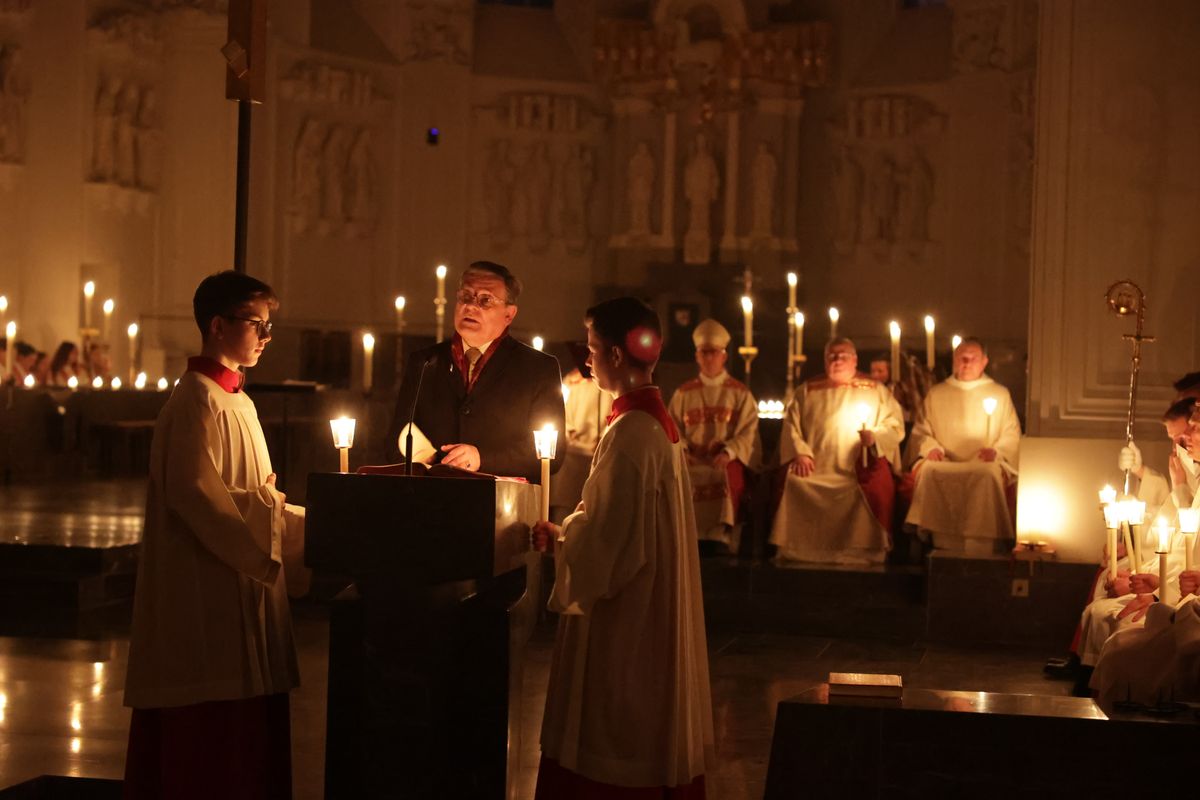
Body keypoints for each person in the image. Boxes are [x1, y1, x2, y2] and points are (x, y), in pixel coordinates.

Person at [123, 271, 304, 799]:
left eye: (269, 326)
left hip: (240, 580)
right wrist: (270, 511)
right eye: (257, 324)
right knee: (211, 739)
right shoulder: (194, 402)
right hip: (205, 588)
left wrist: (274, 509)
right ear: (218, 325)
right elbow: (197, 497)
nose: (267, 337)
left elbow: (249, 494)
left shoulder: (238, 402)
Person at [531, 297, 713, 798]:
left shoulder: (632, 431)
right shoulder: (654, 420)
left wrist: (565, 540)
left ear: (614, 355)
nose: (586, 360)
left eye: (591, 350)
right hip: (652, 596)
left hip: (629, 612)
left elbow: (611, 543)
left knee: (614, 724)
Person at [385, 260, 565, 482]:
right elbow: (396, 439)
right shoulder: (425, 362)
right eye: (465, 297)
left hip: (501, 506)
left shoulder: (537, 368)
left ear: (509, 314)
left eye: (485, 300)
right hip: (432, 499)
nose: (470, 307)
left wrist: (481, 458)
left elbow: (551, 456)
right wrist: (428, 461)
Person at [1070, 398, 1195, 694]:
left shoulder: (1191, 480)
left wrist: (1154, 589)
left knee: (1116, 627)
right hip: (1162, 569)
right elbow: (1169, 527)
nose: (1182, 445)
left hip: (1178, 590)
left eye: (1185, 437)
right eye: (1177, 440)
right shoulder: (1188, 474)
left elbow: (1182, 544)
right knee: (1104, 592)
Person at [770, 337, 905, 564]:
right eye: (832, 356)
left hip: (855, 468)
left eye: (843, 355)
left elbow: (894, 425)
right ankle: (798, 550)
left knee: (874, 487)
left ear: (854, 360)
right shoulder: (807, 391)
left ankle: (863, 551)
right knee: (793, 482)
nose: (837, 360)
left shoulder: (875, 389)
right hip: (815, 467)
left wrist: (875, 437)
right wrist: (800, 452)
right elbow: (790, 426)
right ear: (824, 360)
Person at [903, 337, 1021, 554]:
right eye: (961, 358)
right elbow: (922, 430)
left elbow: (1011, 433)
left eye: (972, 358)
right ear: (954, 361)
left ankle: (982, 541)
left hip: (983, 462)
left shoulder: (999, 394)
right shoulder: (937, 393)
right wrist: (931, 448)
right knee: (929, 470)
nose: (966, 363)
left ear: (984, 362)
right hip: (944, 460)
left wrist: (997, 451)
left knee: (988, 475)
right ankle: (940, 540)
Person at [668, 318, 760, 554]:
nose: (709, 358)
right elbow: (672, 427)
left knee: (725, 476)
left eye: (714, 353)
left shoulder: (739, 393)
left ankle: (721, 538)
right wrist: (683, 450)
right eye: (703, 353)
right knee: (678, 476)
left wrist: (729, 452)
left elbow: (748, 431)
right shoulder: (683, 393)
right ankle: (687, 536)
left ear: (724, 356)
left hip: (723, 459)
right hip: (692, 459)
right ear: (697, 356)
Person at [550, 362, 613, 523]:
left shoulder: (610, 382)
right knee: (564, 515)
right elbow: (559, 415)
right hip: (573, 456)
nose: (588, 361)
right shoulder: (572, 382)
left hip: (602, 453)